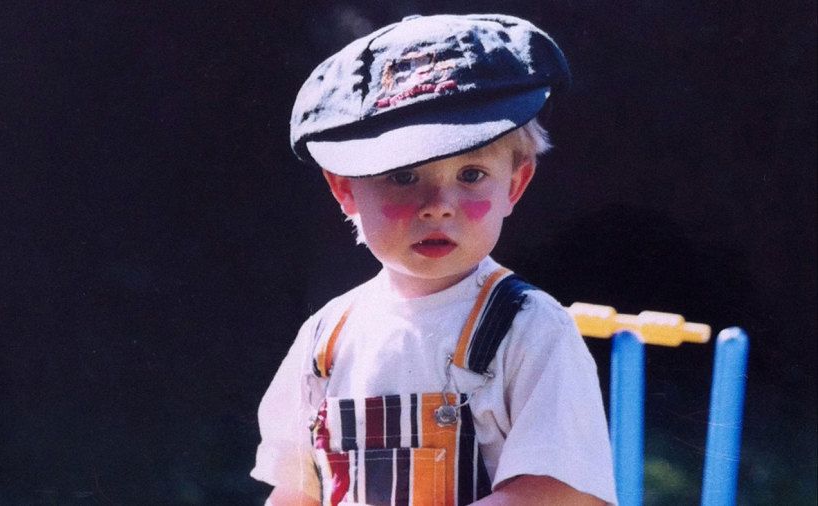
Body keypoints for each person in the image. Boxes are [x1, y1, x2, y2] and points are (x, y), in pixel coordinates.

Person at [251, 13, 617, 506]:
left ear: (515, 184)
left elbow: (552, 494)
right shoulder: (326, 339)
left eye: (470, 174)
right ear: (345, 190)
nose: (438, 204)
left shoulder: (532, 330)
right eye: (404, 177)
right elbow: (297, 489)